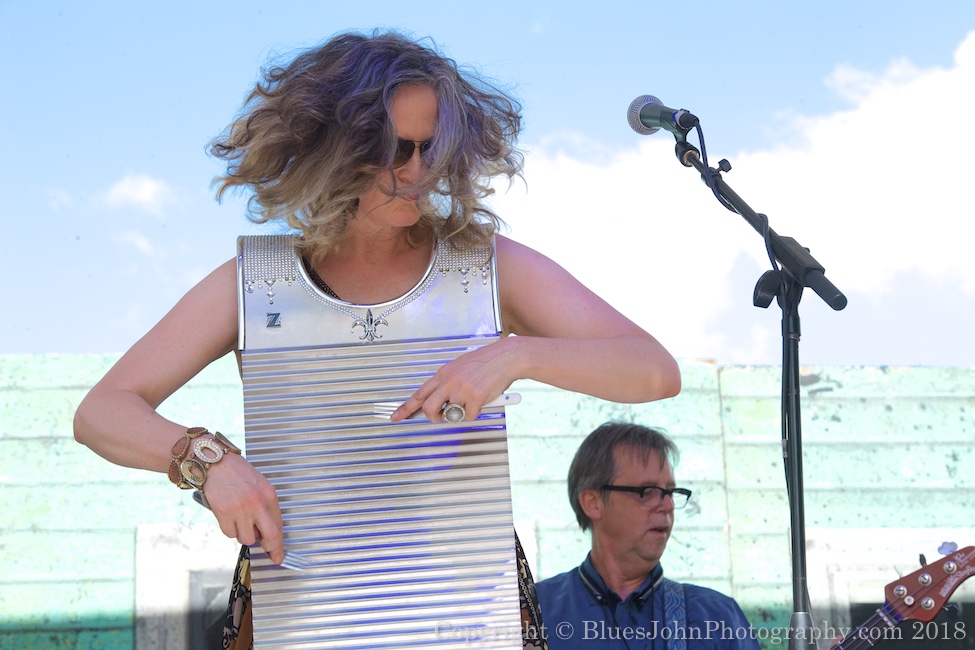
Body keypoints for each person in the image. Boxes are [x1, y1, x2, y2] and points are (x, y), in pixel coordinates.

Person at [72, 31, 681, 649]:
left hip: (470, 612)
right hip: (303, 614)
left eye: (430, 148)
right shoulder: (257, 282)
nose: (417, 171)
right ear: (333, 148)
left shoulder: (486, 267)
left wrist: (514, 354)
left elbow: (655, 370)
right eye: (394, 148)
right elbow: (101, 411)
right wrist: (208, 462)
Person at [536, 423, 759, 649]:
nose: (667, 505)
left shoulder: (718, 618)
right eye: (647, 491)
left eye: (670, 492)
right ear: (593, 503)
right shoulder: (534, 613)